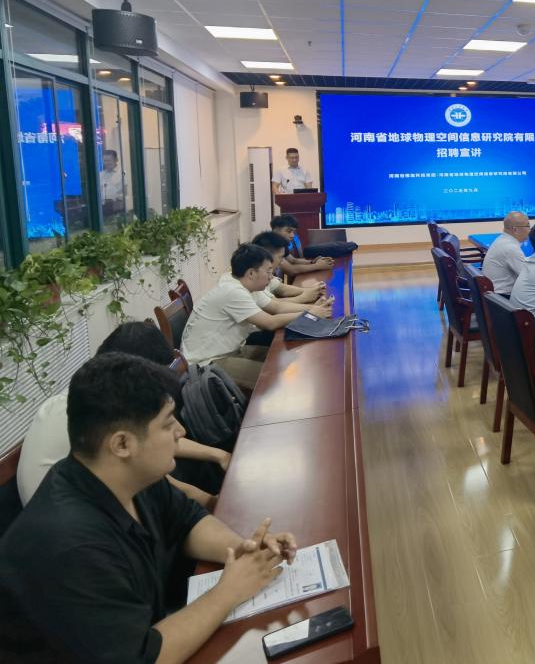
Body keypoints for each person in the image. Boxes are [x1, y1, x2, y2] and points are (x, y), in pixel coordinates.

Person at [0, 353, 297, 663]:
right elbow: (142, 656)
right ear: (122, 444)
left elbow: (187, 520)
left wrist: (244, 550)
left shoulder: (128, 475)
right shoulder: (69, 544)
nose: (181, 432)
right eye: (168, 423)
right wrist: (229, 591)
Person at [17, 322, 231, 508]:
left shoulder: (92, 390)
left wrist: (219, 455)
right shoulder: (97, 410)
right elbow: (159, 483)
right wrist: (212, 502)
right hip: (75, 518)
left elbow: (159, 434)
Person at [181, 244, 329, 390]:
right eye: (268, 271)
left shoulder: (245, 284)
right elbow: (270, 322)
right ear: (251, 273)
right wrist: (309, 314)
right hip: (206, 364)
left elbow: (277, 307)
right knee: (277, 379)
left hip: (230, 351)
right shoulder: (232, 291)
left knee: (285, 358)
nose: (271, 277)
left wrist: (313, 309)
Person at [252, 231, 326, 304]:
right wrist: (305, 297)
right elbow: (274, 306)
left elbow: (281, 288)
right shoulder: (254, 281)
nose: (282, 262)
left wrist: (312, 291)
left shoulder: (265, 274)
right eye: (280, 257)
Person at [481, 211, 531, 295]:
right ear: (515, 230)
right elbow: (529, 277)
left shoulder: (502, 239)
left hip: (491, 294)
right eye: (528, 226)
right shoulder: (511, 248)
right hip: (501, 298)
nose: (530, 230)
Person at [100, 148, 126, 216]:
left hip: (118, 208)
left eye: (109, 160)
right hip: (102, 208)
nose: (107, 163)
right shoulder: (100, 175)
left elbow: (126, 194)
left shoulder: (123, 174)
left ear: (116, 160)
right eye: (105, 160)